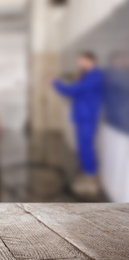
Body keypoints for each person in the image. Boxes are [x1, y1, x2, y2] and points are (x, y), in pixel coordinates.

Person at [52, 51, 103, 199]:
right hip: (82, 117)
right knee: (83, 148)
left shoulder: (94, 77)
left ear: (89, 60)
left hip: (87, 118)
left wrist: (54, 82)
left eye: (80, 61)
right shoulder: (87, 76)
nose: (78, 64)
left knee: (86, 148)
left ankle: (91, 182)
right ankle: (87, 175)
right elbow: (78, 88)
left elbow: (71, 91)